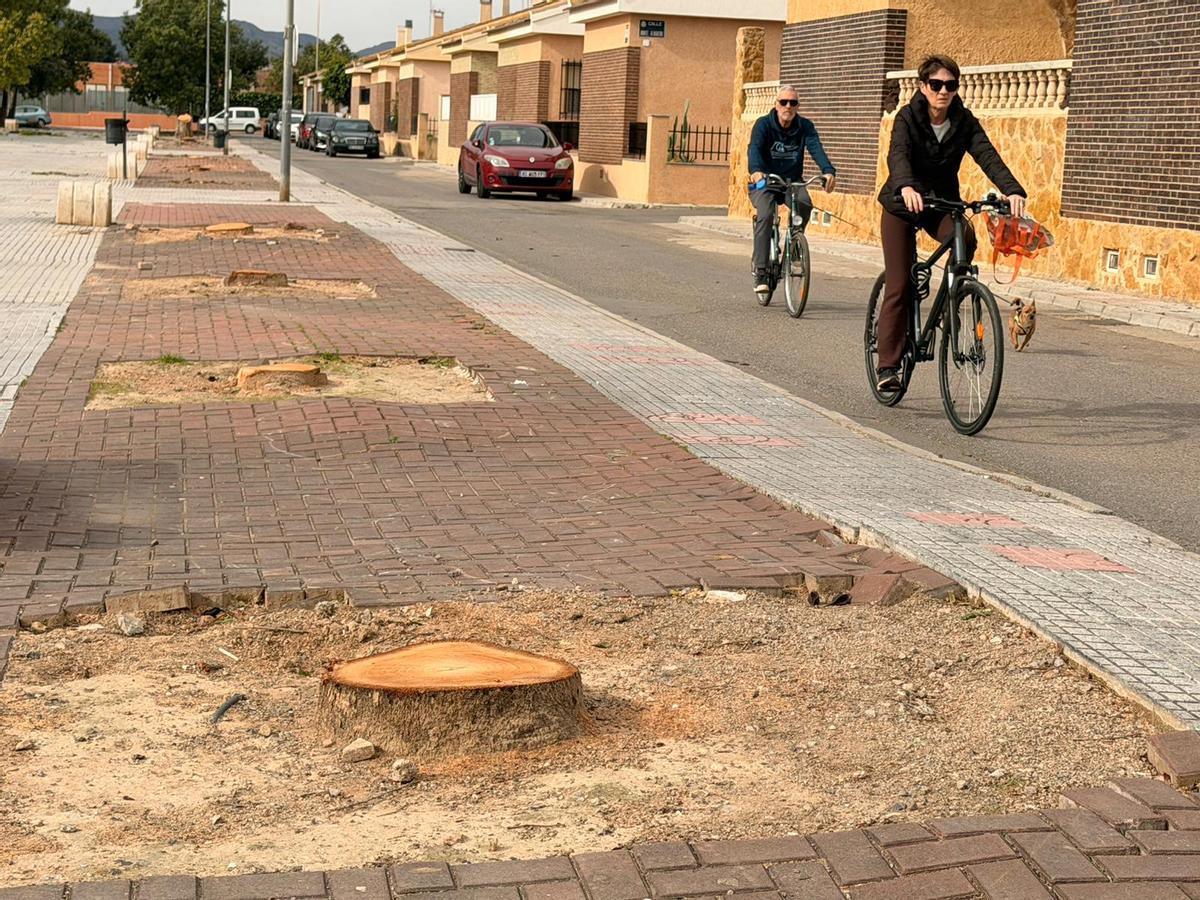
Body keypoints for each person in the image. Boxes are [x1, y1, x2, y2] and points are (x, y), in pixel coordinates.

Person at [875, 54, 1027, 392]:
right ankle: (888, 365)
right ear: (923, 86)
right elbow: (897, 154)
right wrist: (905, 185)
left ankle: (952, 296)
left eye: (951, 85)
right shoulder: (907, 118)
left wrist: (1012, 189)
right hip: (903, 203)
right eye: (936, 85)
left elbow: (987, 155)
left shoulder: (963, 121)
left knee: (965, 235)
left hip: (941, 202)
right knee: (900, 284)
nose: (943, 91)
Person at [748, 86, 836, 294]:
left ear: (797, 106)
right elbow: (755, 150)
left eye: (793, 103)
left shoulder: (805, 126)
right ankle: (761, 270)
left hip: (791, 181)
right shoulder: (763, 125)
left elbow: (816, 147)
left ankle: (793, 251)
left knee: (805, 204)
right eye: (784, 102)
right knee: (766, 214)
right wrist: (756, 171)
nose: (788, 106)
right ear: (776, 104)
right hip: (766, 181)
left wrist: (828, 171)